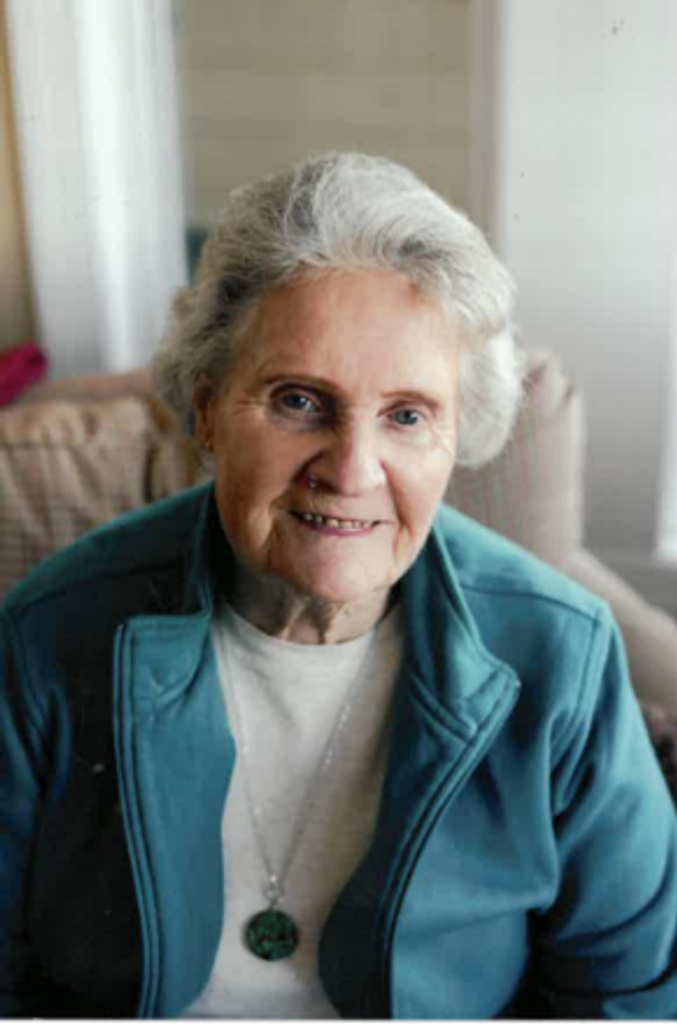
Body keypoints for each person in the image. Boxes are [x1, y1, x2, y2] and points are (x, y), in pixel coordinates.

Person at [1, 152, 676, 1020]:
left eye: (406, 415)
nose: (352, 470)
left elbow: (629, 994)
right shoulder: (47, 632)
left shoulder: (560, 657)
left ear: (456, 436)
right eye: (297, 401)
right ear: (206, 409)